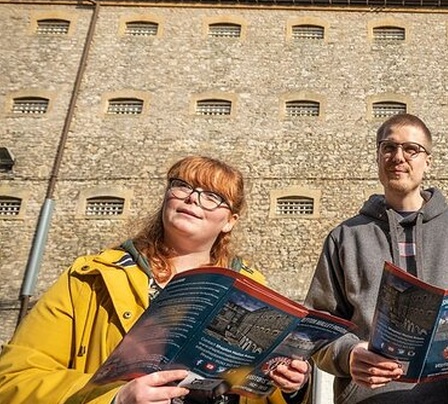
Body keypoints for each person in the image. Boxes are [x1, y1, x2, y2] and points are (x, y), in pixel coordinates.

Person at [0, 156, 310, 404]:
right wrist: (114, 398)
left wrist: (290, 386)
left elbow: (258, 392)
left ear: (230, 221)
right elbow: (13, 379)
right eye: (182, 186)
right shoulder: (92, 277)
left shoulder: (255, 290)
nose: (192, 198)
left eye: (212, 196)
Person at [304, 113, 448, 404]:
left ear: (428, 161)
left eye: (411, 149)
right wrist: (348, 354)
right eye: (388, 147)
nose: (398, 156)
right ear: (377, 157)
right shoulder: (345, 237)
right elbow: (318, 326)